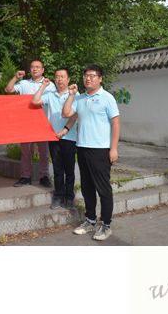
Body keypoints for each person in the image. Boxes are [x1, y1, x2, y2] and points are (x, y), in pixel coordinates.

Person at [62, 64, 120, 241]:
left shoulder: (107, 98)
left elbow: (116, 124)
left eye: (92, 75)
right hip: (82, 148)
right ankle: (90, 220)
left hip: (100, 150)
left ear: (100, 79)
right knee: (87, 187)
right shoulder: (80, 98)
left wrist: (113, 148)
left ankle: (106, 224)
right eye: (86, 75)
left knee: (103, 188)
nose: (88, 78)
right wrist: (71, 95)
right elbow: (66, 113)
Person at [4, 60, 56, 187]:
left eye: (38, 67)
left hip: (42, 122)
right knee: (26, 151)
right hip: (26, 123)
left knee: (44, 152)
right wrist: (15, 78)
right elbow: (8, 89)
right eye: (32, 67)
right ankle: (25, 176)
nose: (35, 69)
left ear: (42, 70)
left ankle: (44, 176)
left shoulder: (49, 85)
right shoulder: (24, 83)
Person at [32, 69, 78, 209]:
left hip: (69, 137)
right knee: (57, 169)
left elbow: (75, 115)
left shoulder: (75, 95)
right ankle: (58, 196)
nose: (59, 79)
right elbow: (35, 101)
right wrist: (43, 86)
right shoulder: (50, 95)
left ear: (68, 79)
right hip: (53, 137)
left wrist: (65, 130)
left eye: (62, 77)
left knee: (69, 170)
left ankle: (69, 197)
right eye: (57, 77)